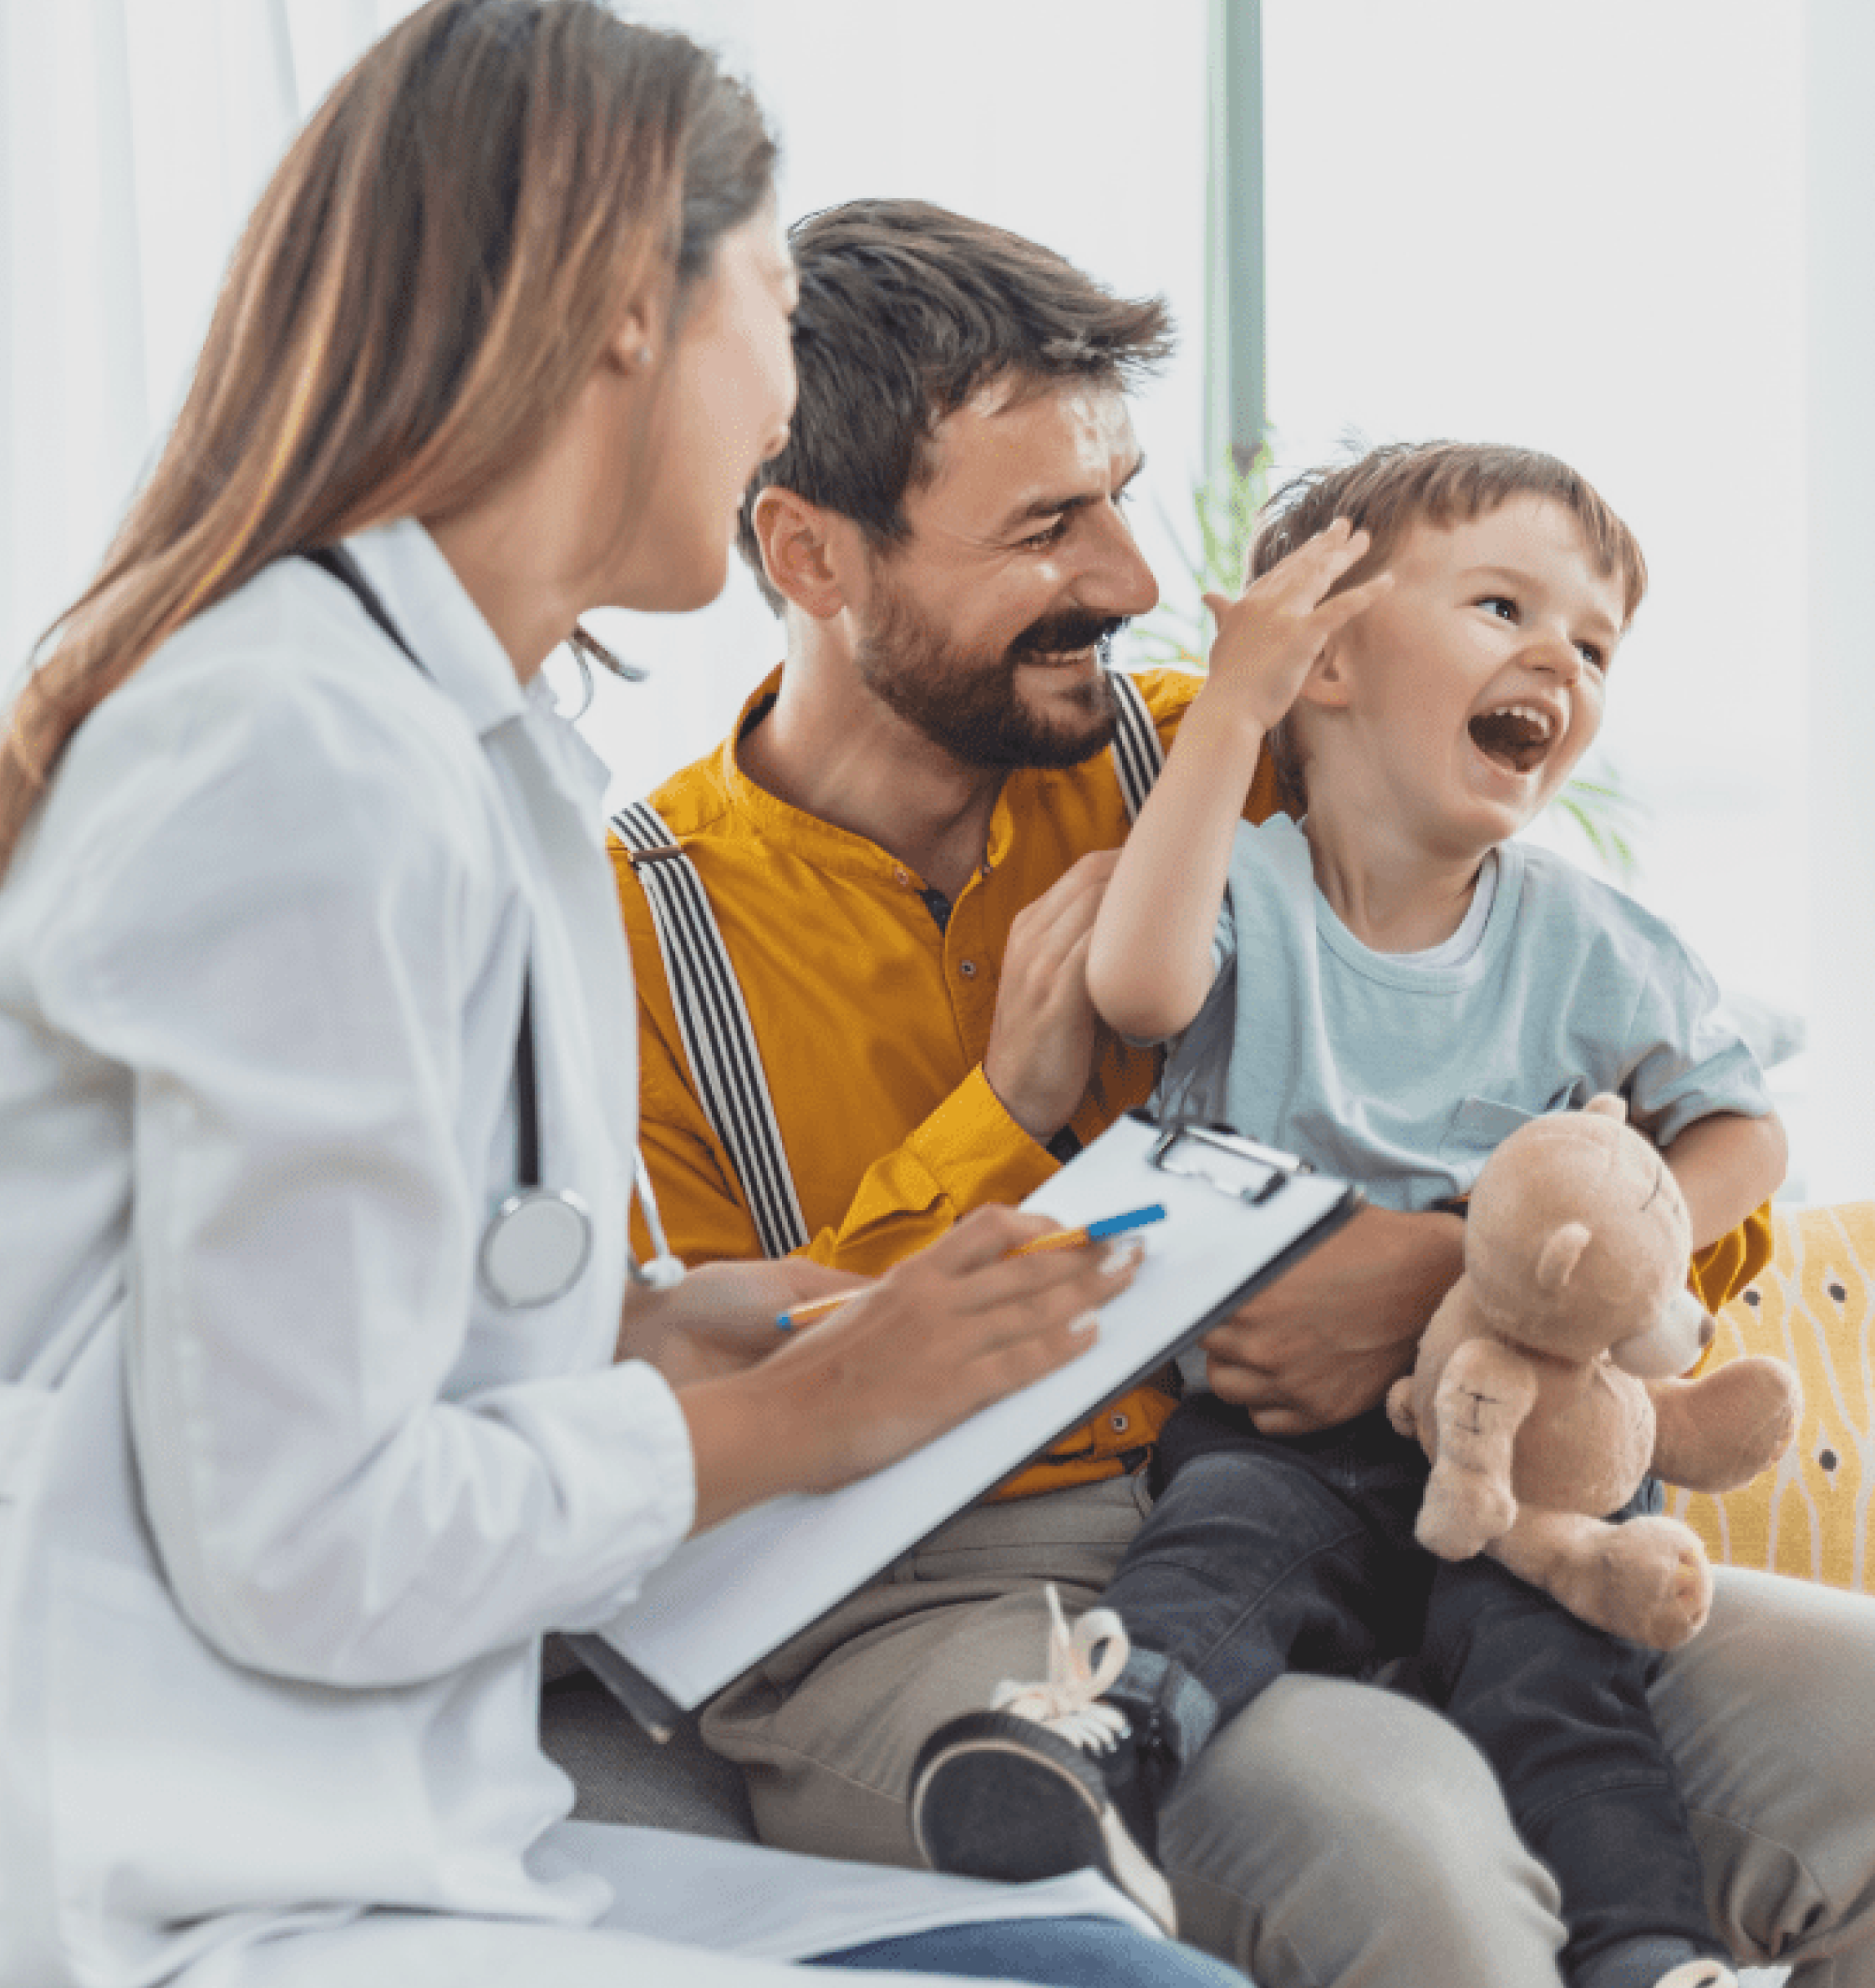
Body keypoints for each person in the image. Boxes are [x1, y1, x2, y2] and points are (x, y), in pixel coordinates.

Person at [0, 9, 1267, 1988]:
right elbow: (302, 1533)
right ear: (619, 318)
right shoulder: (299, 763)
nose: (783, 401)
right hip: (207, 1888)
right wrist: (804, 1416)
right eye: (769, 303)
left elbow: (326, 1334)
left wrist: (655, 1321)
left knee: (1104, 1967)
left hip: (415, 1849)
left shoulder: (461, 746)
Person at [611, 198, 1875, 1988]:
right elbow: (694, 1405)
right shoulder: (632, 932)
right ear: (811, 555)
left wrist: (1437, 1271)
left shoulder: (1244, 754)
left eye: (1118, 496)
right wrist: (1016, 1109)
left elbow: (1626, 1122)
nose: (1134, 578)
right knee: (1407, 1848)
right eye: (1050, 525)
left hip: (1411, 1490)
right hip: (932, 1594)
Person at [907, 441, 1786, 1988]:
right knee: (1215, 1564)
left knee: (1567, 1684)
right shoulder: (1245, 891)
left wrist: (1619, 1232)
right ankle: (1081, 1749)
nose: (1554, 659)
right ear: (1325, 664)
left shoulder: (1582, 935)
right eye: (1501, 602)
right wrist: (1230, 701)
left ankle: (1649, 1951)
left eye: (1592, 643)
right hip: (1281, 1433)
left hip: (1527, 1438)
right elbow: (1138, 987)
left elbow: (1742, 1130)